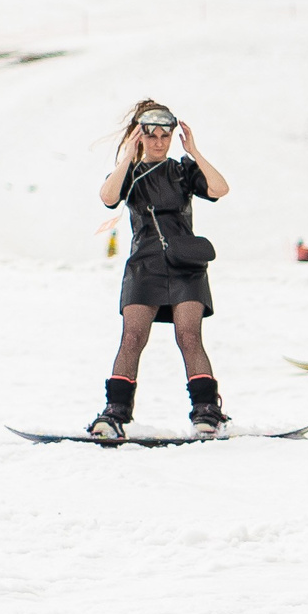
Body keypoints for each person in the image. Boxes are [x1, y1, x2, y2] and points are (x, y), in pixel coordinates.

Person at [92, 101, 231, 440]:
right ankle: (115, 413)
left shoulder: (183, 170)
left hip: (185, 265)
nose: (158, 142)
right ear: (139, 136)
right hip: (144, 264)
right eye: (150, 135)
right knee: (133, 336)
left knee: (188, 334)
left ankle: (206, 411)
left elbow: (219, 189)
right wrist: (128, 156)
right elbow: (108, 198)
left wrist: (194, 151)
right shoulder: (131, 174)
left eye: (164, 135)